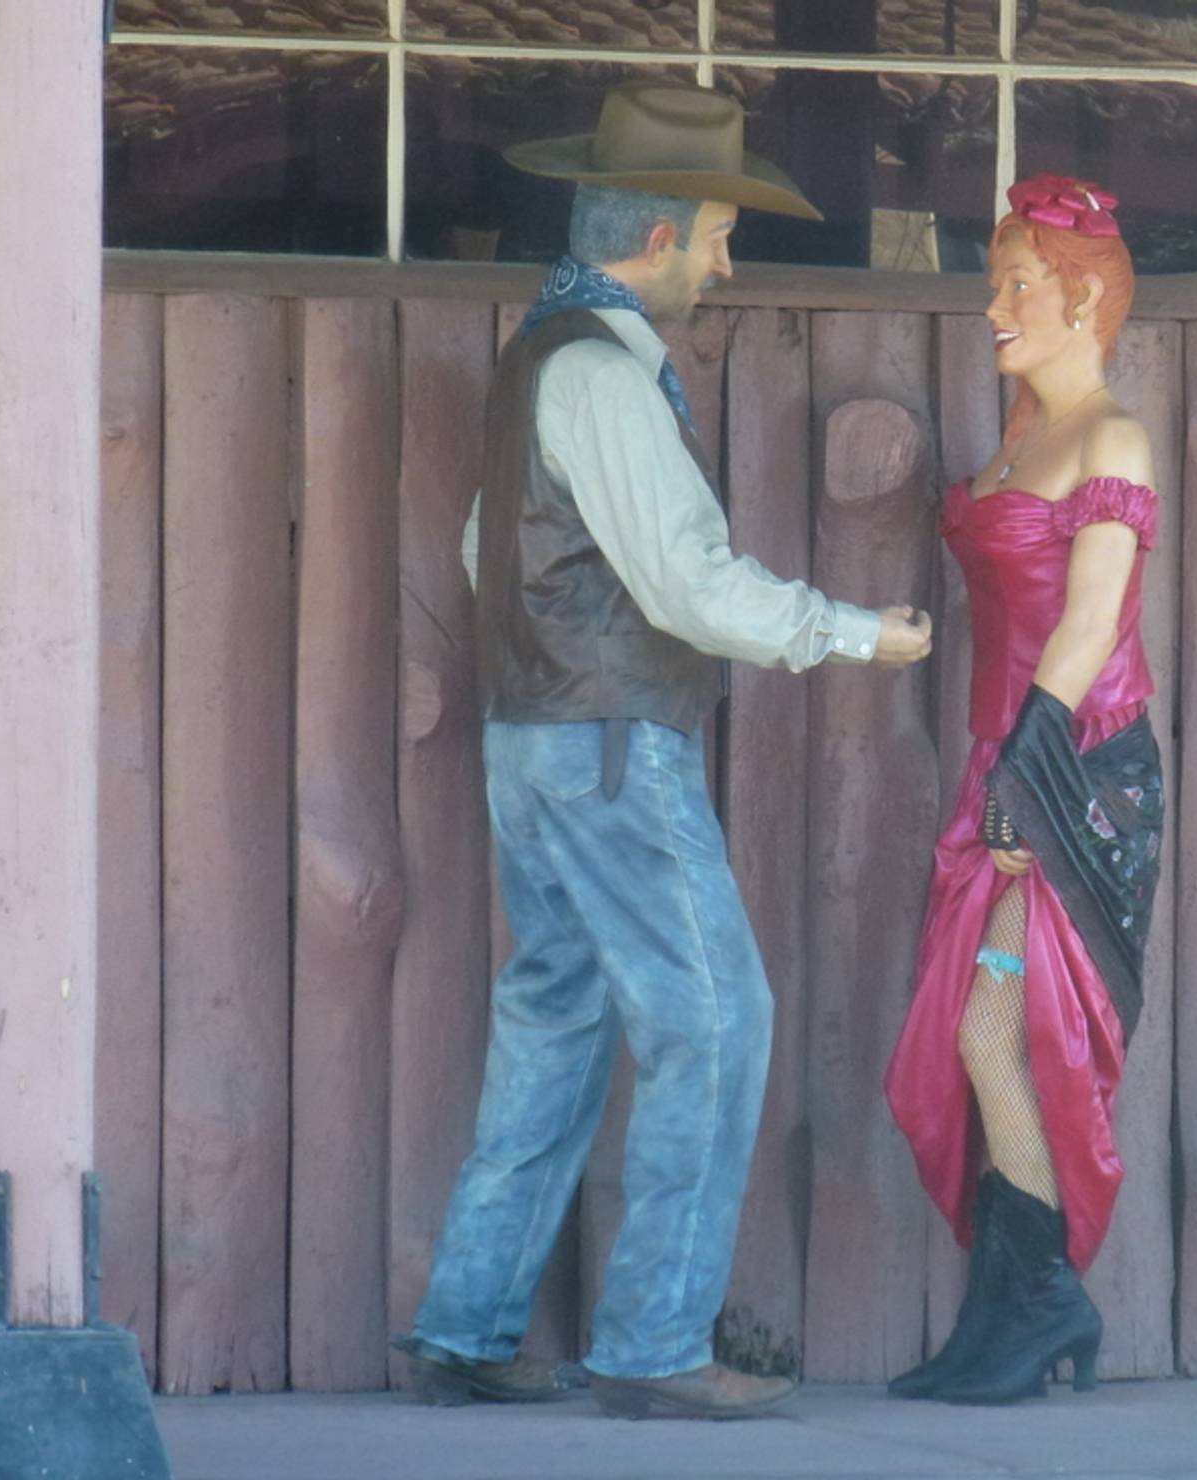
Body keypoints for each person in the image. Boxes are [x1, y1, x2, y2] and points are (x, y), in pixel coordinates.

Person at [391, 83, 933, 1422]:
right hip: (614, 744)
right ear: (655, 239)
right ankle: (650, 1348)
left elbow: (481, 557)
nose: (726, 263)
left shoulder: (543, 361)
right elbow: (693, 589)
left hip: (535, 741)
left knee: (556, 1025)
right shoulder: (604, 376)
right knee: (715, 1017)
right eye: (716, 236)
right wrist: (861, 634)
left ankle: (464, 1326)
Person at [883, 174, 1162, 1406]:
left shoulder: (1109, 435)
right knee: (983, 1029)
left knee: (996, 1028)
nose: (991, 307)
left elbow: (1094, 617)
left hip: (1071, 768)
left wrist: (1023, 774)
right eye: (992, 283)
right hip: (1003, 761)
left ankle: (1041, 1300)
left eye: (1017, 286)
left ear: (1086, 297)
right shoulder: (1016, 439)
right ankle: (1013, 1311)